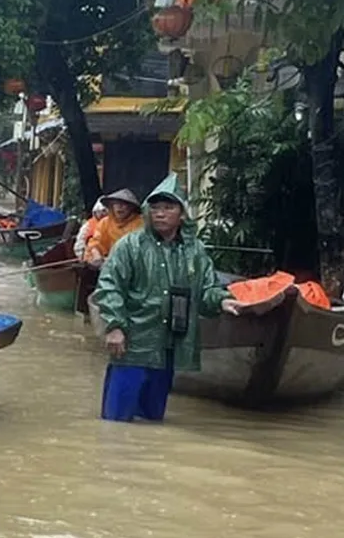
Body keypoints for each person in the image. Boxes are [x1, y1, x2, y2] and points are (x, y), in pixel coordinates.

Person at [95, 174, 240, 423]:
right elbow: (109, 287)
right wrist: (115, 327)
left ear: (182, 214)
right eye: (155, 207)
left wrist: (221, 301)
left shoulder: (195, 251)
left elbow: (206, 289)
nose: (160, 213)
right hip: (133, 344)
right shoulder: (130, 246)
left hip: (169, 346)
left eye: (168, 207)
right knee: (116, 421)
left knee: (153, 419)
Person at [83, 189, 143, 268]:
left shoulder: (141, 223)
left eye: (124, 204)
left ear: (131, 207)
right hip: (108, 267)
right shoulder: (105, 223)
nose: (120, 207)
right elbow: (95, 243)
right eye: (116, 204)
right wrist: (96, 254)